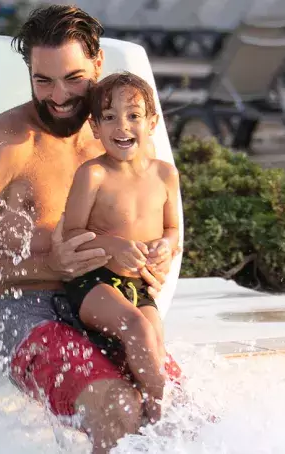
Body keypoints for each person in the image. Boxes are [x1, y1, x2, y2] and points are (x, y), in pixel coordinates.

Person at [0, 5, 178, 453]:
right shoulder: (4, 143)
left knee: (180, 412)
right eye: (43, 80)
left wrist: (156, 256)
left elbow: (158, 217)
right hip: (26, 313)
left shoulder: (117, 136)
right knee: (120, 409)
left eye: (73, 78)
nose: (59, 96)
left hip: (107, 302)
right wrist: (47, 262)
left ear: (99, 63)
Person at [61, 71, 182, 425]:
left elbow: (173, 229)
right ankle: (166, 416)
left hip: (139, 287)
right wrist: (112, 246)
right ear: (95, 128)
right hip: (95, 282)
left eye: (133, 115)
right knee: (139, 329)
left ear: (152, 122)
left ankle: (150, 417)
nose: (122, 126)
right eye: (109, 117)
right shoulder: (93, 174)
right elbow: (71, 234)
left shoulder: (164, 175)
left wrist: (166, 245)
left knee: (154, 342)